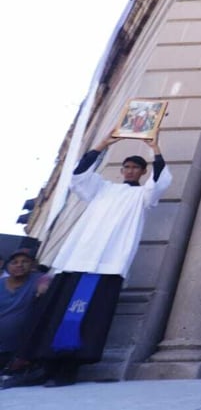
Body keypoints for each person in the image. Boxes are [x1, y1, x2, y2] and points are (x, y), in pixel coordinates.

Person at [9, 134, 172, 387]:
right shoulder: (102, 188)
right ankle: (46, 366)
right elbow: (79, 176)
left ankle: (68, 370)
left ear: (142, 171)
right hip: (77, 259)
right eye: (126, 167)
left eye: (135, 168)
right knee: (57, 314)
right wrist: (102, 145)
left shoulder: (142, 196)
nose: (130, 171)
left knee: (88, 318)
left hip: (107, 263)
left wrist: (155, 148)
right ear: (122, 169)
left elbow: (160, 182)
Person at [0, 249, 50, 370]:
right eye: (14, 262)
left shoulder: (36, 279)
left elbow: (47, 279)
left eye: (25, 262)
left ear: (32, 265)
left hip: (19, 350)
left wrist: (44, 285)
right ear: (7, 266)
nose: (19, 265)